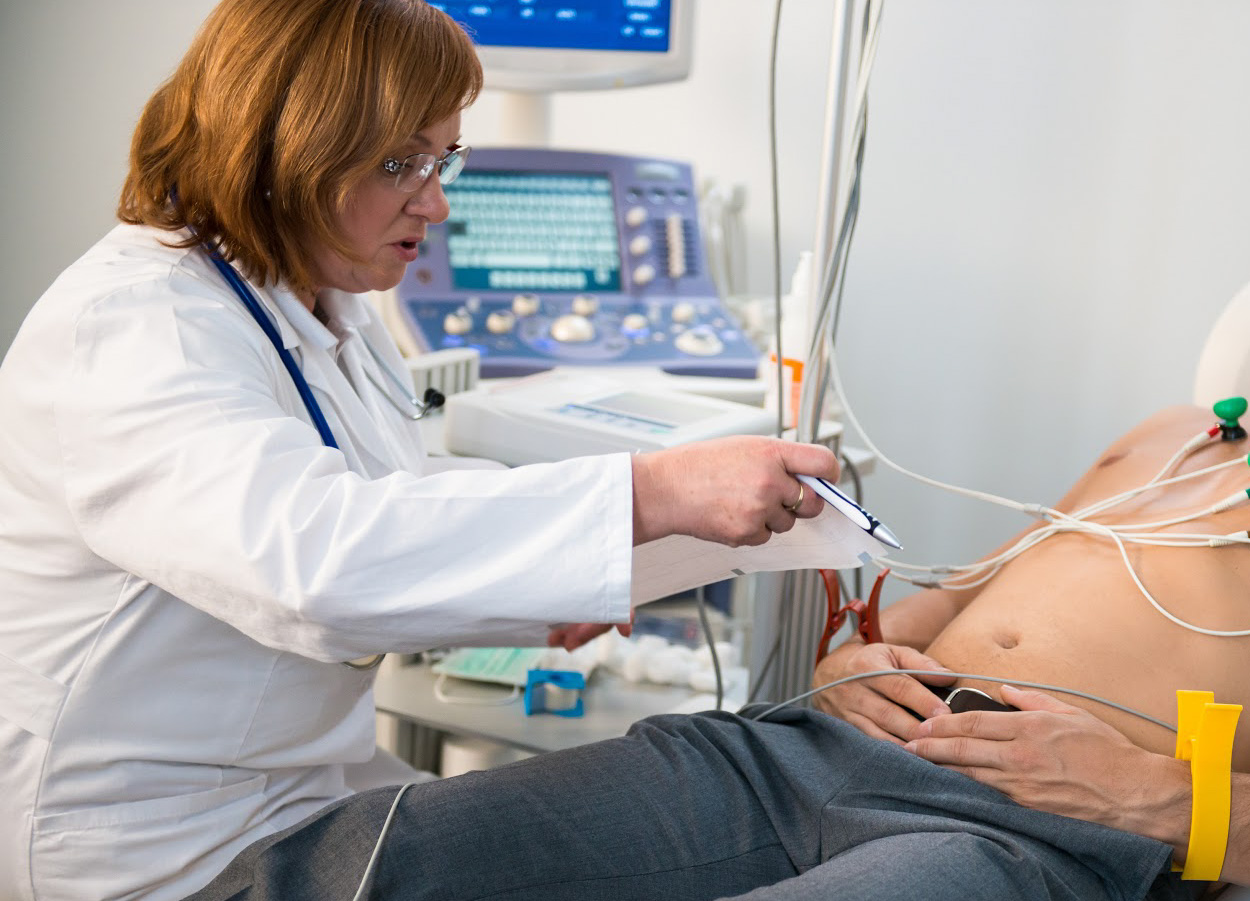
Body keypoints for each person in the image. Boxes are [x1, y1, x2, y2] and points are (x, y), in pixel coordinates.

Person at [171, 141, 1250, 901]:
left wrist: (1166, 803)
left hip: (1037, 840)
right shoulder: (1182, 436)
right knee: (393, 862)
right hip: (815, 743)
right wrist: (878, 643)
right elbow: (1001, 575)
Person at [0, 1, 839, 899]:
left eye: (443, 159)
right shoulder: (133, 327)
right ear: (282, 146)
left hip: (296, 796)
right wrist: (647, 493)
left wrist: (569, 574)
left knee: (706, 782)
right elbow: (317, 557)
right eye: (400, 164)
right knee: (717, 792)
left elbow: (397, 486)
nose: (435, 202)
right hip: (157, 849)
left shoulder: (326, 302)